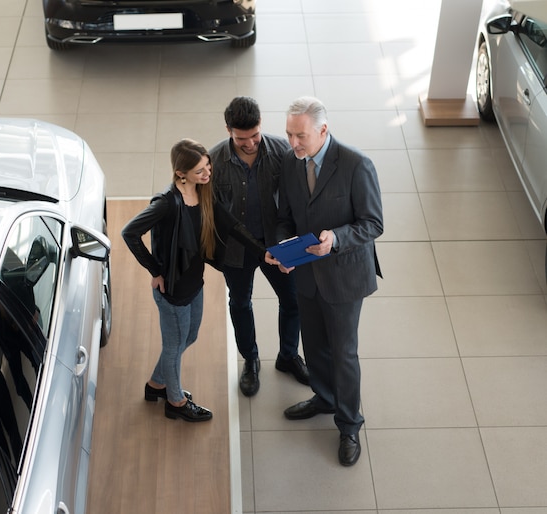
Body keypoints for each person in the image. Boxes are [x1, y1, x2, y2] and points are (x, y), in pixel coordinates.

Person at [121, 138, 275, 422]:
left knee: (187, 338)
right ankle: (175, 402)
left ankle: (156, 386)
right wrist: (155, 270)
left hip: (194, 281)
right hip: (173, 288)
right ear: (181, 174)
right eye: (199, 171)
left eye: (207, 166)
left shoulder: (202, 194)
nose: (207, 174)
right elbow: (129, 233)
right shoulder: (166, 204)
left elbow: (231, 224)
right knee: (174, 347)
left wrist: (262, 253)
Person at [273, 96, 383, 466]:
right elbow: (285, 216)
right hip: (305, 273)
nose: (293, 143)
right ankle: (323, 396)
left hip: (344, 277)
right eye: (289, 134)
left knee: (344, 353)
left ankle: (350, 424)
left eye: (300, 135)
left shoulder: (356, 165)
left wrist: (335, 239)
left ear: (323, 130)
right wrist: (285, 248)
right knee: (314, 344)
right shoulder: (291, 163)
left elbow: (372, 224)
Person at [210, 96, 309, 397]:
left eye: (255, 135)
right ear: (228, 130)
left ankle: (288, 355)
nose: (251, 143)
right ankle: (250, 360)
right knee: (240, 304)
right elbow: (209, 212)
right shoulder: (214, 161)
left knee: (293, 301)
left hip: (277, 244)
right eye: (242, 138)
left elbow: (299, 198)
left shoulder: (282, 151)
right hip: (236, 250)